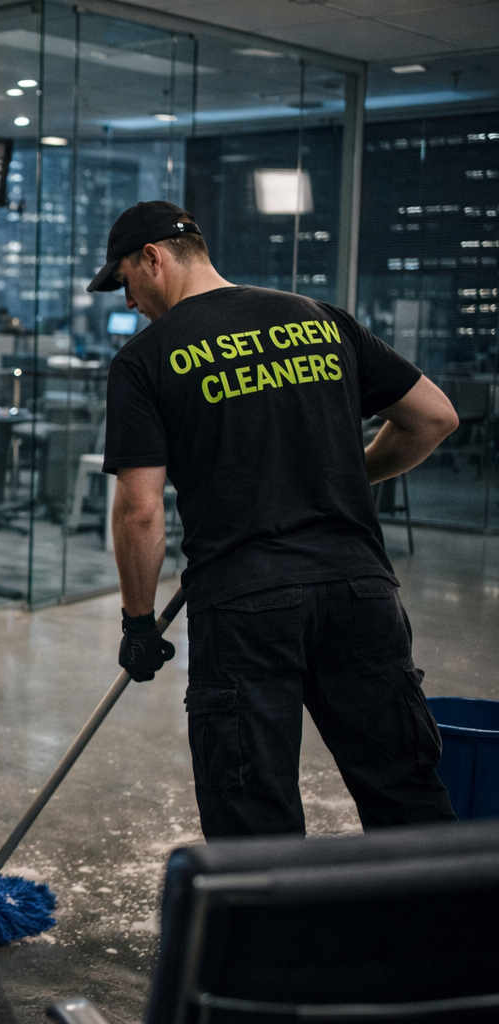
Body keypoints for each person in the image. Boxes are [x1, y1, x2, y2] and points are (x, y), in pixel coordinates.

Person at [95, 200, 460, 838]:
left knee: (252, 813)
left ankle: (276, 941)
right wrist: (345, 475)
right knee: (404, 791)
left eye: (124, 281)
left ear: (152, 258)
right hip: (359, 590)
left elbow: (141, 510)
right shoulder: (321, 320)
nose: (128, 302)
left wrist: (136, 621)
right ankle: (442, 937)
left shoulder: (146, 359)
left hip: (245, 607)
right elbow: (434, 417)